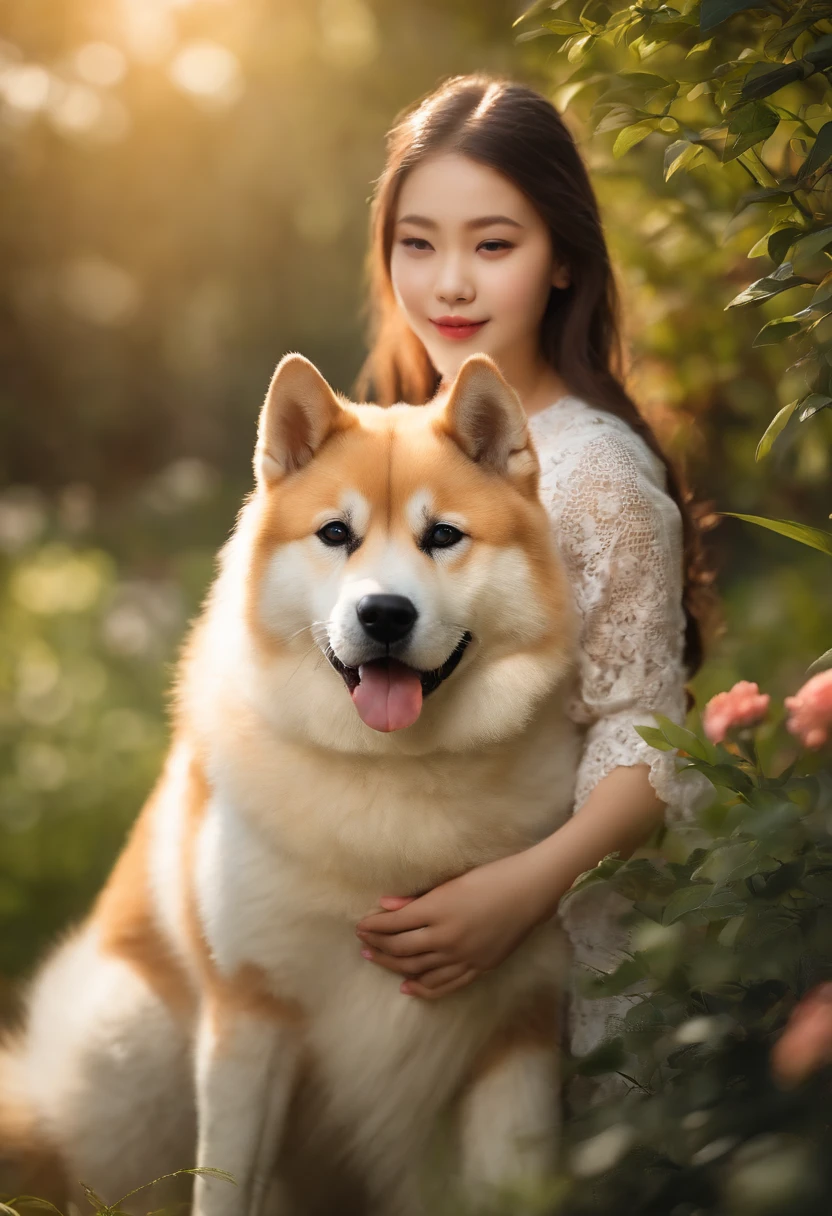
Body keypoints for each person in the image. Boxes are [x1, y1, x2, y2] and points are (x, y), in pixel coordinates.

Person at [351, 73, 716, 1094]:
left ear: (561, 260)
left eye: (493, 244)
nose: (449, 283)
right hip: (419, 928)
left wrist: (517, 892)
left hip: (551, 933)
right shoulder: (394, 441)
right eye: (417, 242)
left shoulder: (593, 474)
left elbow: (642, 729)